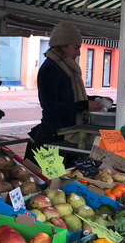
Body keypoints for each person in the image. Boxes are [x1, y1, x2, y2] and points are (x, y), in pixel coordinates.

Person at [28, 22, 105, 158]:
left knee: (68, 177)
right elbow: (51, 108)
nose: (79, 52)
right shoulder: (50, 69)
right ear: (63, 46)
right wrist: (85, 105)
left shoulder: (68, 69)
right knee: (52, 179)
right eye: (76, 47)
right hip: (51, 138)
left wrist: (96, 100)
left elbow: (71, 98)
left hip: (67, 136)